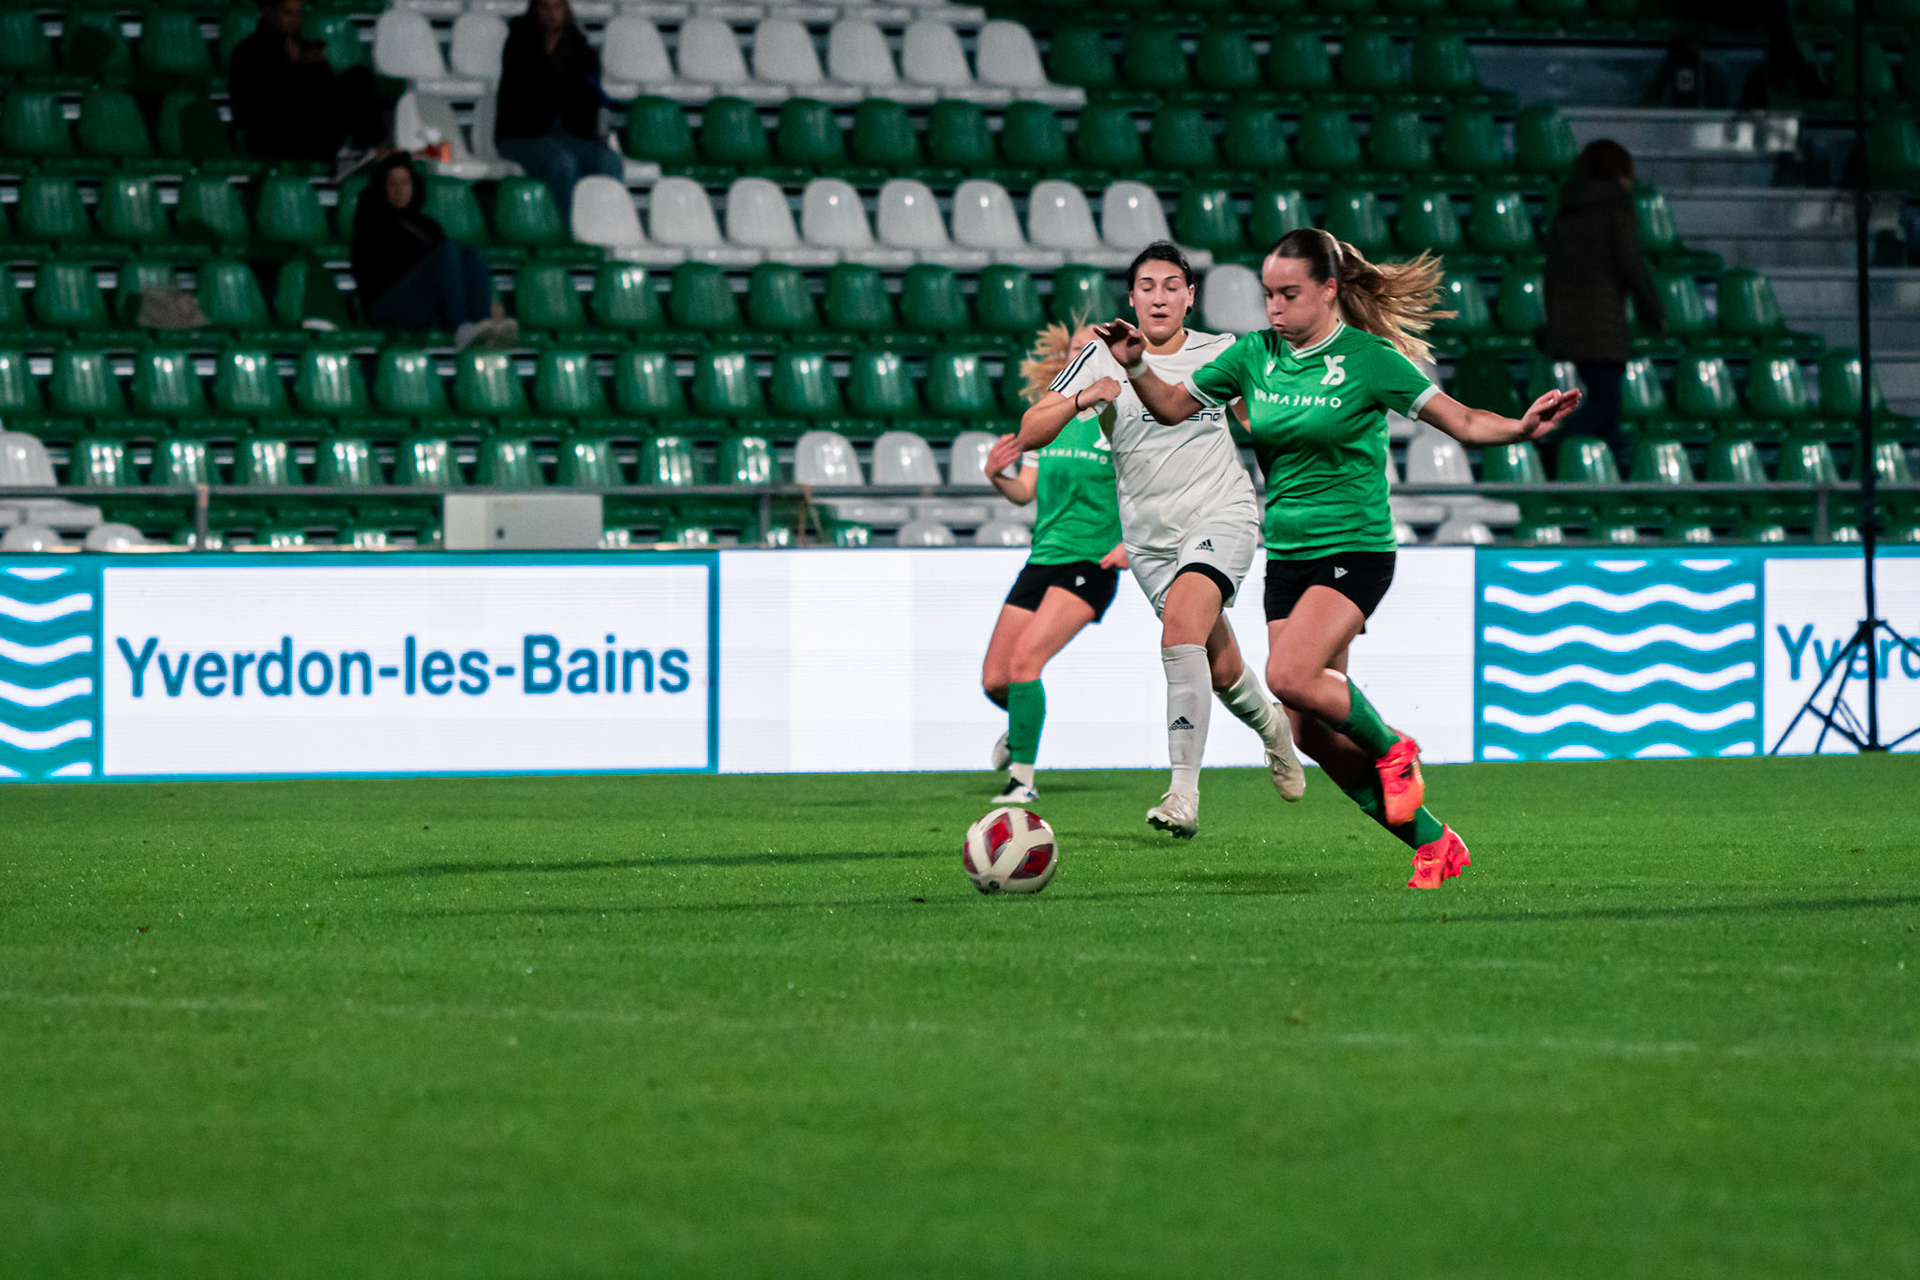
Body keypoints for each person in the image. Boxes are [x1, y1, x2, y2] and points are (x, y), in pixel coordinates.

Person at [1096, 229, 1582, 889]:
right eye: (1267, 293)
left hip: (1354, 546)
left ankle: (1394, 748)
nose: (1273, 307)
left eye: (1288, 294)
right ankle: (1434, 841)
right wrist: (1135, 366)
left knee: (1291, 676)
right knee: (1311, 733)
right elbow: (1173, 408)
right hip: (1290, 555)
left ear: (1328, 290)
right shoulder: (1253, 356)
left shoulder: (1367, 358)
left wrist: (1521, 428)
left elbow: (1463, 421)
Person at [1020, 244, 1306, 839]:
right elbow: (1029, 432)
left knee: (1180, 630)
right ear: (1131, 298)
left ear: (1190, 296)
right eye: (1147, 285)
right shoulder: (1101, 358)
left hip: (1220, 514)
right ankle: (1274, 727)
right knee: (1219, 666)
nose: (1158, 296)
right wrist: (1079, 399)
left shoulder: (1220, 352)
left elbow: (1264, 421)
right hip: (1149, 538)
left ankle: (1182, 792)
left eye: (1172, 285)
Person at [979, 324, 1130, 806]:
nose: (1080, 357)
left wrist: (1134, 542)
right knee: (996, 680)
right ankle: (1023, 724)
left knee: (1025, 662)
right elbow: (1026, 493)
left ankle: (1021, 779)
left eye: (1091, 350)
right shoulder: (1052, 414)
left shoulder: (1124, 412)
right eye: (1075, 351)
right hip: (1043, 557)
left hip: (1091, 560)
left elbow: (1152, 487)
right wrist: (997, 476)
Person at [1544, 140, 1664, 477]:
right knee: (1605, 406)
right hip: (1603, 326)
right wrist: (1653, 312)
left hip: (1570, 326)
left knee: (1605, 410)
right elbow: (1632, 265)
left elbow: (1551, 274)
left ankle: (1607, 477)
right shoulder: (1616, 207)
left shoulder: (1567, 211)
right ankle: (1556, 447)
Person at [351, 153, 518, 350]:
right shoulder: (372, 223)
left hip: (424, 304)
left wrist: (494, 301)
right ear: (383, 188)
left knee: (470, 253)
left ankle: (484, 325)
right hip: (387, 304)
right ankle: (461, 328)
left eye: (405, 183)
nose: (400, 190)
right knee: (446, 253)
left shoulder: (428, 226)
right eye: (393, 184)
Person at [495, 0, 624, 222]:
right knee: (562, 163)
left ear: (566, 10)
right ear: (535, 10)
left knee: (609, 161)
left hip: (566, 134)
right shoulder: (518, 44)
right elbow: (524, 98)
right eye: (545, 7)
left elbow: (588, 98)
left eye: (557, 7)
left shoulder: (580, 48)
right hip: (521, 134)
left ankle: (602, 226)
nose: (552, 14)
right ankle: (564, 229)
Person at [228, 0, 386, 167]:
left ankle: (371, 151)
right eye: (288, 13)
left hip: (313, 132)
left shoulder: (303, 47)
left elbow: (326, 95)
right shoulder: (247, 53)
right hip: (274, 135)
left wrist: (316, 66)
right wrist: (294, 68)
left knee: (358, 77)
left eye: (298, 14)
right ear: (269, 12)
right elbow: (254, 110)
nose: (294, 20)